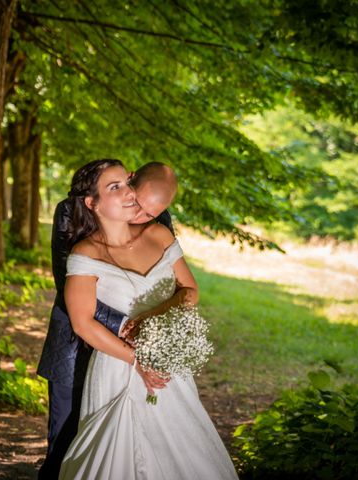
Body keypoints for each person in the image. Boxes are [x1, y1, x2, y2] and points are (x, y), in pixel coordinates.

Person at [58, 159, 237, 479]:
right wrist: (137, 358)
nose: (128, 194)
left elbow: (190, 290)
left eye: (126, 184)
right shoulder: (85, 255)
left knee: (182, 445)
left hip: (169, 363)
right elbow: (82, 323)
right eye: (115, 188)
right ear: (92, 203)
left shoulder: (159, 235)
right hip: (119, 366)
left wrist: (154, 321)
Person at [37, 161, 177, 479]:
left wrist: (151, 327)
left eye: (148, 213)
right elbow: (66, 279)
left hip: (134, 348)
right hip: (75, 346)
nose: (139, 216)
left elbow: (165, 276)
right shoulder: (68, 212)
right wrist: (125, 325)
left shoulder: (159, 217)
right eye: (136, 204)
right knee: (65, 441)